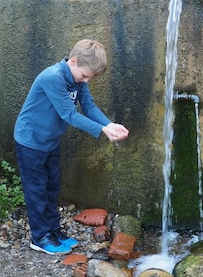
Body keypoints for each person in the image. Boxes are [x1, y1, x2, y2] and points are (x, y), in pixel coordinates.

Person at [14, 39, 129, 255]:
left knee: (52, 187)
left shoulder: (78, 80)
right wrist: (102, 131)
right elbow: (69, 114)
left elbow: (88, 106)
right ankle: (39, 237)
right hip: (31, 142)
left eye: (88, 78)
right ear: (73, 61)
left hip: (49, 141)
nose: (85, 81)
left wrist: (110, 124)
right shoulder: (53, 78)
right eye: (84, 76)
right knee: (37, 190)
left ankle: (53, 232)